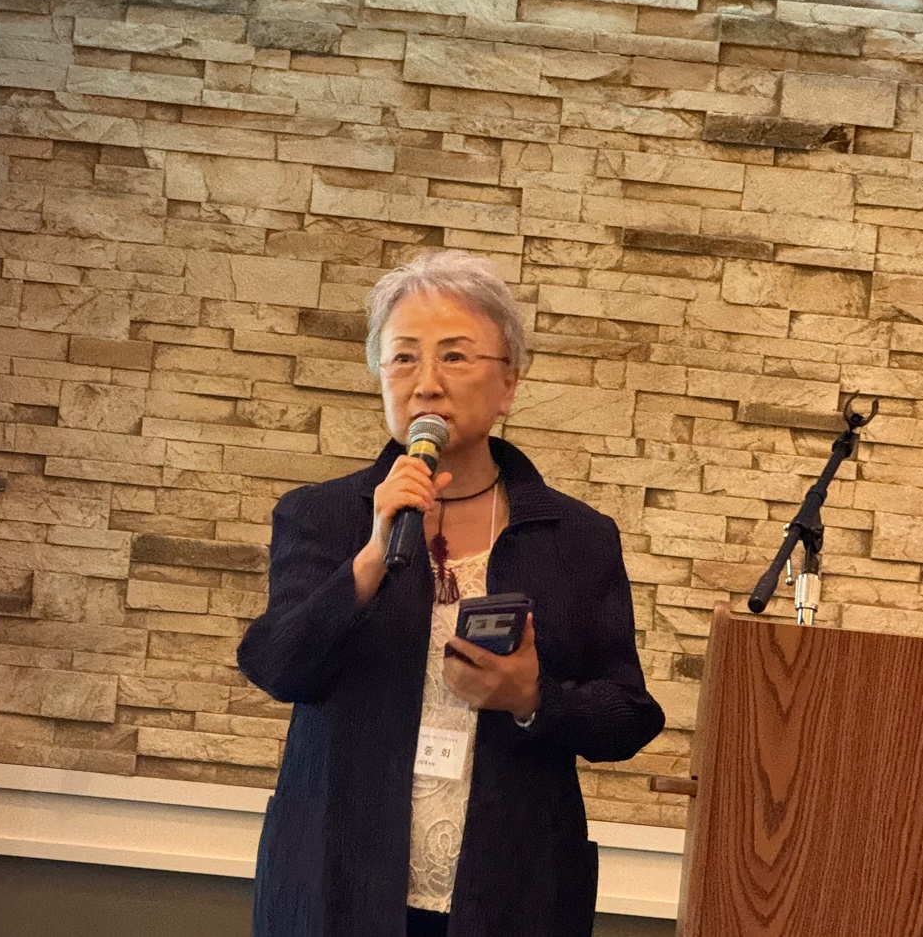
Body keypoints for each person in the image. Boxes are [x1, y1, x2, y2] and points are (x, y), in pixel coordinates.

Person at [237, 249, 665, 937]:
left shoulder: (577, 537)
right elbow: (277, 665)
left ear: (509, 382)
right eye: (403, 357)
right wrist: (370, 559)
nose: (427, 383)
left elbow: (630, 716)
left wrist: (532, 699)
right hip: (337, 892)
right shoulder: (323, 516)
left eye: (455, 356)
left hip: (513, 897)